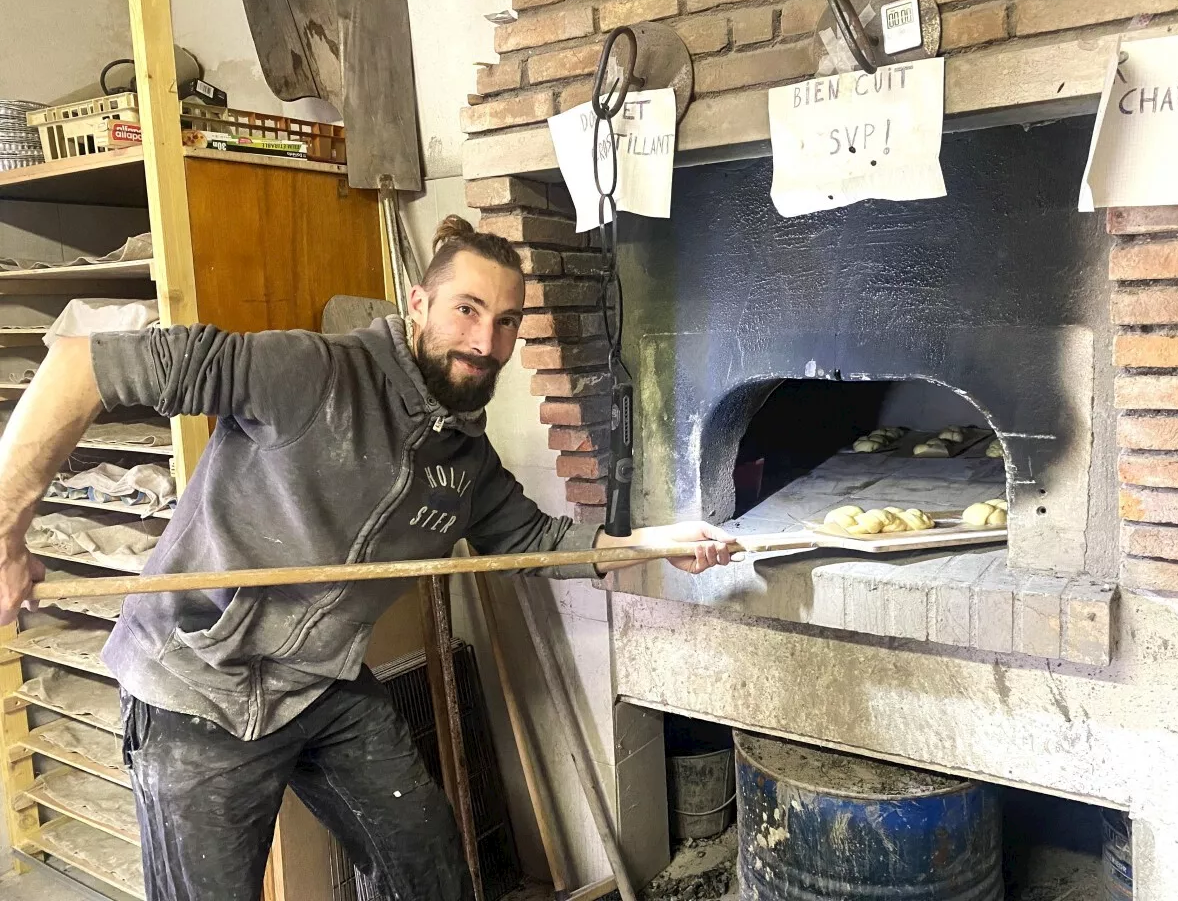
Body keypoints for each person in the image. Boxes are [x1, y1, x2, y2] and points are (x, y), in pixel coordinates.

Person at [0, 215, 735, 901]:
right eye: (468, 311)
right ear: (419, 304)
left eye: (507, 322)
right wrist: (6, 530)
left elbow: (534, 541)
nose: (487, 342)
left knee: (429, 867)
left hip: (321, 682)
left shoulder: (464, 454)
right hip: (195, 684)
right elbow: (84, 365)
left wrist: (648, 545)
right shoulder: (310, 372)